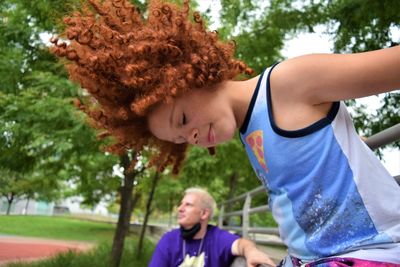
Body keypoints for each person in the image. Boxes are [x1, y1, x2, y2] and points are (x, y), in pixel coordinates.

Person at [51, 0, 400, 266]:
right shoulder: (249, 132)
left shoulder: (288, 84)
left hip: (372, 251)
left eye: (183, 118)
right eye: (182, 139)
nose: (193, 137)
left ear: (193, 73)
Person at [148, 187, 275, 267]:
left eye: (188, 205)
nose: (180, 209)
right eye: (181, 204)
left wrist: (251, 252)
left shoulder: (216, 237)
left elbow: (242, 244)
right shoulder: (169, 240)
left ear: (204, 213)